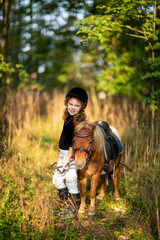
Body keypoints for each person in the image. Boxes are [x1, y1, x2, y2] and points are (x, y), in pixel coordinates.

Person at [53, 87, 88, 218]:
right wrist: (59, 156)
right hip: (63, 154)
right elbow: (64, 140)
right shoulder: (68, 117)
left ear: (82, 107)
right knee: (57, 180)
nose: (73, 107)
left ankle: (72, 212)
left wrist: (67, 159)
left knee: (70, 179)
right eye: (71, 104)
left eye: (76, 106)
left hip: (72, 155)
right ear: (67, 103)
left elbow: (74, 143)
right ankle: (66, 208)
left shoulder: (78, 122)